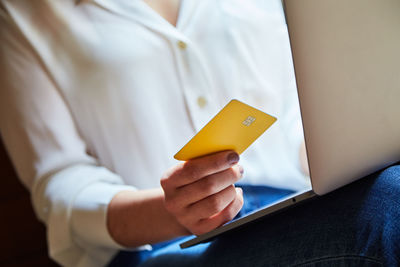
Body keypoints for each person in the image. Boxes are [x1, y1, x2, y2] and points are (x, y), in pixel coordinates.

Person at [0, 1, 398, 266]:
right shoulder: (24, 13)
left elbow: (294, 111)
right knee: (389, 204)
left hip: (292, 202)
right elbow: (60, 179)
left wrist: (361, 141)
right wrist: (169, 211)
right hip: (158, 245)